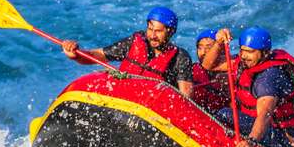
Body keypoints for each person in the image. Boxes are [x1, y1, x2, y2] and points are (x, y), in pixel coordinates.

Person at [210, 27, 294, 147]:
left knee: (225, 115)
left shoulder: (269, 78)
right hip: (265, 130)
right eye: (242, 50)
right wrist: (218, 43)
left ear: (265, 53)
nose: (244, 55)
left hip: (284, 140)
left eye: (250, 52)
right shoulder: (243, 63)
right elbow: (210, 66)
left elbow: (265, 114)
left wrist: (251, 141)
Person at [60, 6, 194, 95]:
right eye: (150, 29)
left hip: (150, 111)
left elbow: (186, 96)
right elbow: (98, 55)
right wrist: (75, 55)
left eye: (158, 31)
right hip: (121, 99)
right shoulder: (134, 42)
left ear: (170, 32)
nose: (152, 35)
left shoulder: (180, 57)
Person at [190, 28, 231, 114]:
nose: (203, 52)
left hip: (220, 118)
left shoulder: (230, 71)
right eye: (200, 48)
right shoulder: (193, 69)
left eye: (209, 48)